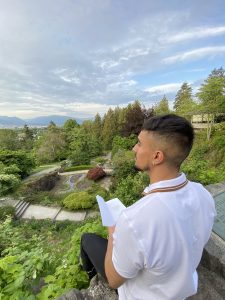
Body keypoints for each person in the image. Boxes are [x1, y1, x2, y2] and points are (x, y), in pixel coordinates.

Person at [80, 114, 216, 300]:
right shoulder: (203, 194)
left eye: (139, 143)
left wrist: (113, 231)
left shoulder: (134, 220)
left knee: (87, 240)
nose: (134, 148)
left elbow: (113, 280)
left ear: (157, 156)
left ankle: (90, 278)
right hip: (181, 288)